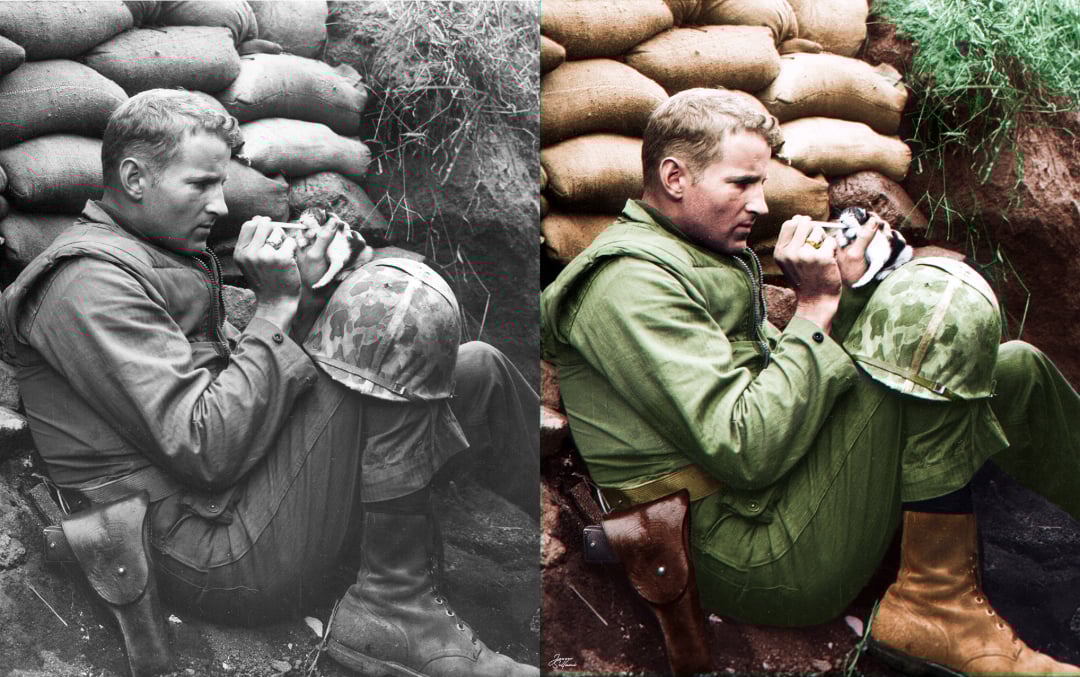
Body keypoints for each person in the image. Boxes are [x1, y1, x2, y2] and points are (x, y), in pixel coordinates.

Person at [540, 87, 1080, 675]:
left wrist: (842, 301)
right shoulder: (627, 285)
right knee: (931, 314)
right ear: (674, 176)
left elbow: (789, 390)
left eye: (762, 184)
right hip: (741, 551)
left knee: (1016, 371)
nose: (762, 205)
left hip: (774, 500)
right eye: (742, 183)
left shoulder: (692, 259)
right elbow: (745, 449)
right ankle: (934, 606)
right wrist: (816, 307)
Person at [1, 89, 539, 677]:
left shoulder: (152, 257)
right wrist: (277, 307)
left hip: (240, 500)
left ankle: (569, 534)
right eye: (200, 184)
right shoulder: (86, 286)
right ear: (133, 177)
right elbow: (205, 449)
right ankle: (393, 608)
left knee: (478, 369)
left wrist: (305, 302)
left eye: (221, 183)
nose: (220, 204)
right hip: (208, 551)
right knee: (392, 314)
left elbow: (249, 398)